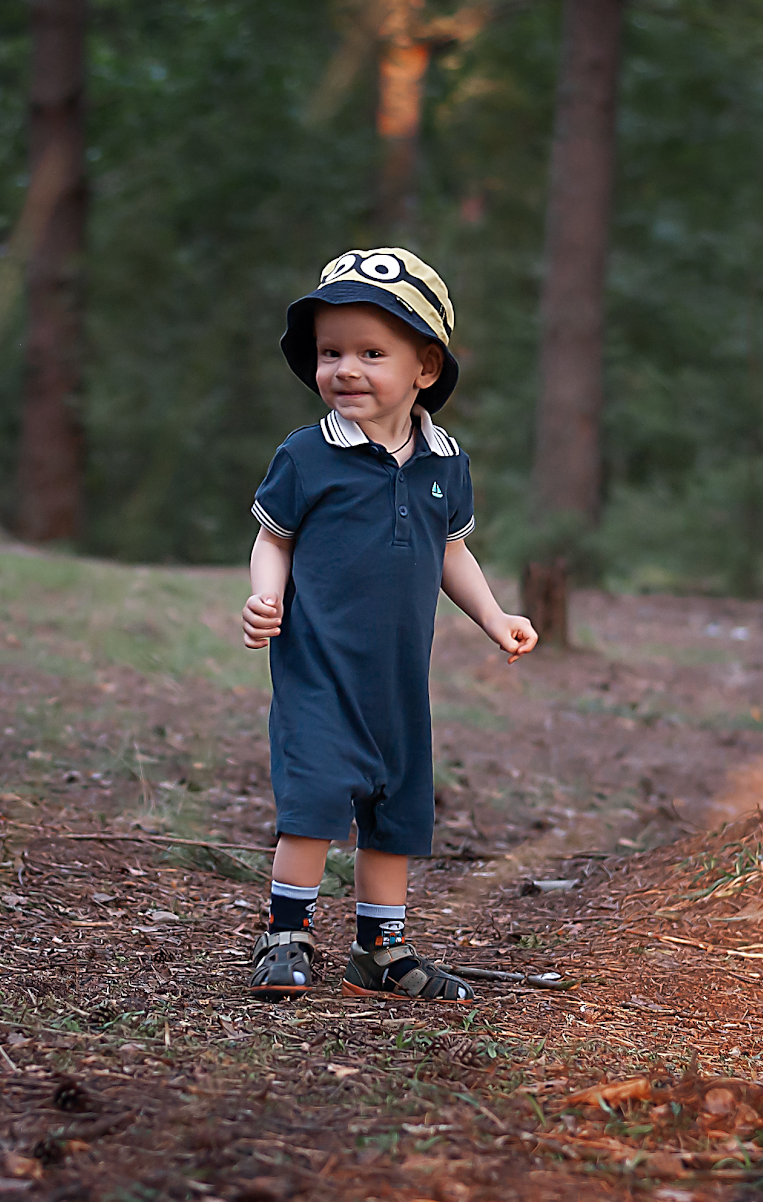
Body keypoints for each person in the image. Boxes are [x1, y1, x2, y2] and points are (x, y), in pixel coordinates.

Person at [243, 247, 537, 1001]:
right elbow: (273, 535)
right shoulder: (307, 455)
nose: (346, 369)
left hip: (400, 681)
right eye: (330, 352)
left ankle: (380, 950)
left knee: (396, 810)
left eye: (372, 353)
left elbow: (450, 551)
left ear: (425, 368)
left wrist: (494, 616)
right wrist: (264, 596)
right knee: (313, 803)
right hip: (319, 670)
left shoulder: (445, 461)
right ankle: (287, 935)